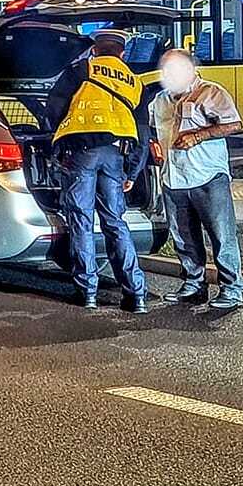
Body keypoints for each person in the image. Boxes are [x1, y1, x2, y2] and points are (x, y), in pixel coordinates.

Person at [46, 29, 153, 313]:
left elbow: (53, 109)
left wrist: (55, 140)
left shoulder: (82, 69)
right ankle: (136, 295)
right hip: (115, 156)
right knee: (116, 223)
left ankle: (87, 292)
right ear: (122, 53)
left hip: (81, 154)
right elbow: (142, 133)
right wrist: (131, 173)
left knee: (81, 221)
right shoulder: (134, 82)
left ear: (95, 49)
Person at [150, 47, 243, 311]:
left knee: (221, 236)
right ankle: (193, 285)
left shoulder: (210, 92)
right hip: (173, 177)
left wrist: (198, 135)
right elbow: (151, 132)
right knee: (183, 237)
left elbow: (234, 124)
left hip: (208, 176)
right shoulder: (159, 100)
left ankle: (232, 288)